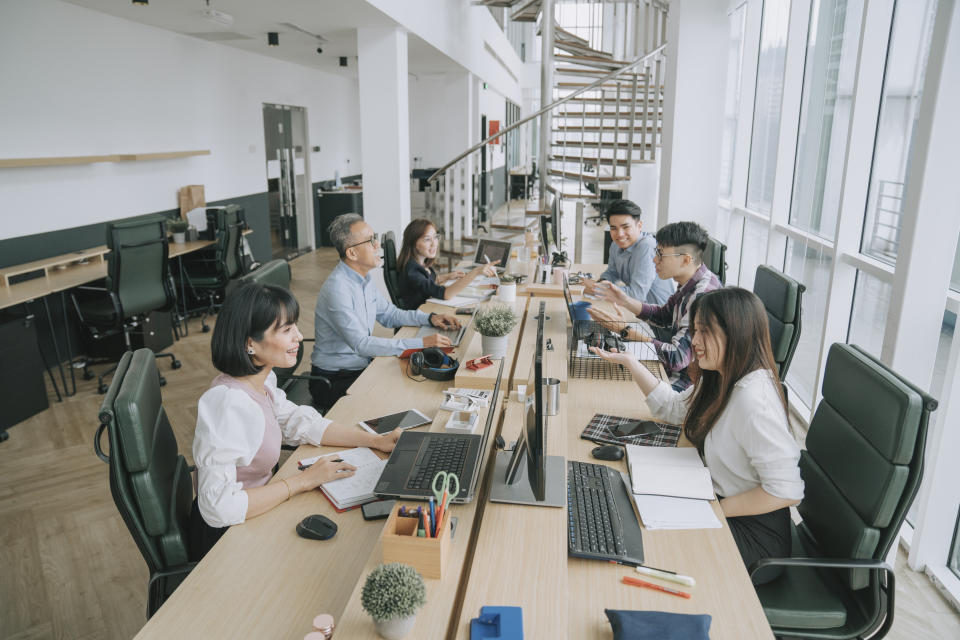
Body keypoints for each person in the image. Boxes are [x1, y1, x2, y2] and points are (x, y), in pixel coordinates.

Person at [590, 287, 803, 584]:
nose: (695, 342)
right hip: (714, 497)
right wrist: (630, 361)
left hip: (752, 535)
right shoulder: (721, 375)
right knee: (625, 501)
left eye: (705, 332)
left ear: (736, 334)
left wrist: (711, 509)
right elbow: (674, 409)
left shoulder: (754, 402)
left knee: (645, 544)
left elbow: (787, 490)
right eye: (695, 330)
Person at [190, 281, 403, 559]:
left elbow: (299, 422)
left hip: (263, 506)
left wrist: (375, 440)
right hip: (227, 536)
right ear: (250, 343)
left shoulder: (262, 379)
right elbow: (218, 508)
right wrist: (303, 482)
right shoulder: (227, 405)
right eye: (287, 329)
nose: (300, 337)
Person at [311, 213, 461, 410]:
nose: (377, 246)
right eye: (371, 240)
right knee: (404, 391)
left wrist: (430, 318)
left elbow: (390, 315)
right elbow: (362, 344)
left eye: (376, 238)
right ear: (352, 253)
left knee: (420, 376)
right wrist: (420, 344)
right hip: (333, 380)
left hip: (359, 367)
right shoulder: (338, 289)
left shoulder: (363, 279)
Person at [588, 221, 721, 390]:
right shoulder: (689, 282)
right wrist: (625, 300)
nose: (655, 259)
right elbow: (663, 316)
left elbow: (677, 357)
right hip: (671, 371)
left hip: (687, 385)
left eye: (661, 254)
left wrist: (626, 331)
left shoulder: (702, 296)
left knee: (611, 387)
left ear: (686, 259)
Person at [583, 200, 674, 304]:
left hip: (656, 314)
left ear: (639, 226)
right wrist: (599, 283)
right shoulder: (615, 244)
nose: (619, 234)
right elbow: (612, 272)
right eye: (614, 228)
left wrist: (598, 290)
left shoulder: (647, 247)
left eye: (626, 227)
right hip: (636, 309)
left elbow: (636, 294)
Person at [395, 218, 498, 310]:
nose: (434, 243)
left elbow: (427, 283)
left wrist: (448, 276)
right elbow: (446, 294)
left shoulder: (420, 264)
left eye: (435, 237)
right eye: (427, 239)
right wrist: (475, 272)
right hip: (417, 319)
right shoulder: (412, 271)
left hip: (427, 309)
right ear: (413, 243)